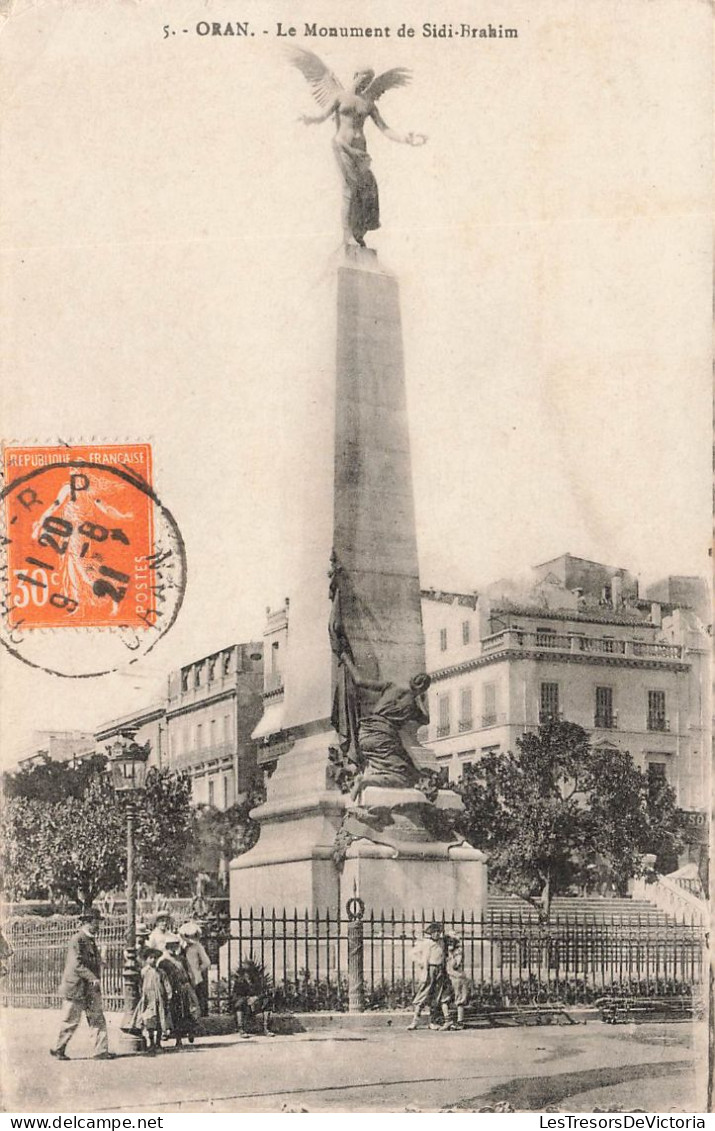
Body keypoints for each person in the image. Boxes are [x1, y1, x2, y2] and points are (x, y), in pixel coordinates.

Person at [291, 49, 427, 247]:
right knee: (350, 189)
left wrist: (405, 138)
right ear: (356, 76)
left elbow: (385, 128)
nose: (365, 83)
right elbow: (321, 116)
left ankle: (359, 232)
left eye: (369, 80)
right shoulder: (339, 96)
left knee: (369, 189)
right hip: (343, 146)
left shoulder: (368, 103)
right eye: (363, 78)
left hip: (361, 152)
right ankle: (346, 237)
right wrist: (309, 119)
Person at [339, 653, 431, 791]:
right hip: (383, 738)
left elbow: (359, 680)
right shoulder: (413, 707)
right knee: (405, 777)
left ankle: (364, 775)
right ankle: (365, 781)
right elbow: (426, 719)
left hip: (363, 735)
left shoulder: (391, 686)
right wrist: (418, 699)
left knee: (394, 765)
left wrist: (345, 658)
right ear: (423, 689)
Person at [51, 907, 114, 1061]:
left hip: (90, 987)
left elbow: (91, 961)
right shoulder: (77, 939)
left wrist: (101, 961)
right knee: (71, 1020)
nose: (98, 925)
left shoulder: (90, 940)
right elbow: (76, 964)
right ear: (87, 922)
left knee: (97, 1017)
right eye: (96, 922)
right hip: (77, 986)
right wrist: (93, 977)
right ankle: (59, 1049)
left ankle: (101, 1051)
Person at [407, 922, 453, 1031]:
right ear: (430, 933)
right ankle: (415, 1021)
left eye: (439, 932)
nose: (437, 934)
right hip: (430, 970)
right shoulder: (426, 943)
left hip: (440, 970)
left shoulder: (442, 942)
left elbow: (451, 941)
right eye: (434, 932)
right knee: (423, 994)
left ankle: (433, 1021)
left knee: (436, 996)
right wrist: (421, 963)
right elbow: (412, 953)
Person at [158, 935, 200, 1048]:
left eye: (175, 945)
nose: (173, 948)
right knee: (176, 1014)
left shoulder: (181, 959)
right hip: (173, 990)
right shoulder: (163, 962)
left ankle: (190, 1031)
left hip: (184, 988)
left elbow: (189, 972)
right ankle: (178, 1038)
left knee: (189, 1011)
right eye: (170, 946)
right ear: (166, 947)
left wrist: (191, 984)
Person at [133, 947, 173, 1053]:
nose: (153, 960)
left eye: (155, 958)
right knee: (149, 1020)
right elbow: (140, 984)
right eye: (151, 958)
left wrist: (169, 995)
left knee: (160, 1021)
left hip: (159, 999)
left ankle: (158, 1043)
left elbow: (166, 984)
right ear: (146, 959)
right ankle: (151, 1042)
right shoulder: (144, 972)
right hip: (148, 1000)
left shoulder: (161, 972)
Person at [178, 921, 211, 1017]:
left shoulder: (198, 946)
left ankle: (198, 1017)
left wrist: (198, 970)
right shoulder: (181, 946)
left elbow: (207, 962)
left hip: (194, 976)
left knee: (196, 998)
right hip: (184, 975)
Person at [444, 931, 470, 1030]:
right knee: (446, 998)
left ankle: (460, 1022)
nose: (450, 943)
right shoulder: (446, 952)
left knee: (459, 1000)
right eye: (448, 941)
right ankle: (448, 1020)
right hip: (450, 977)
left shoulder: (457, 952)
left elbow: (455, 965)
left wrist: (450, 954)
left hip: (458, 977)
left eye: (452, 941)